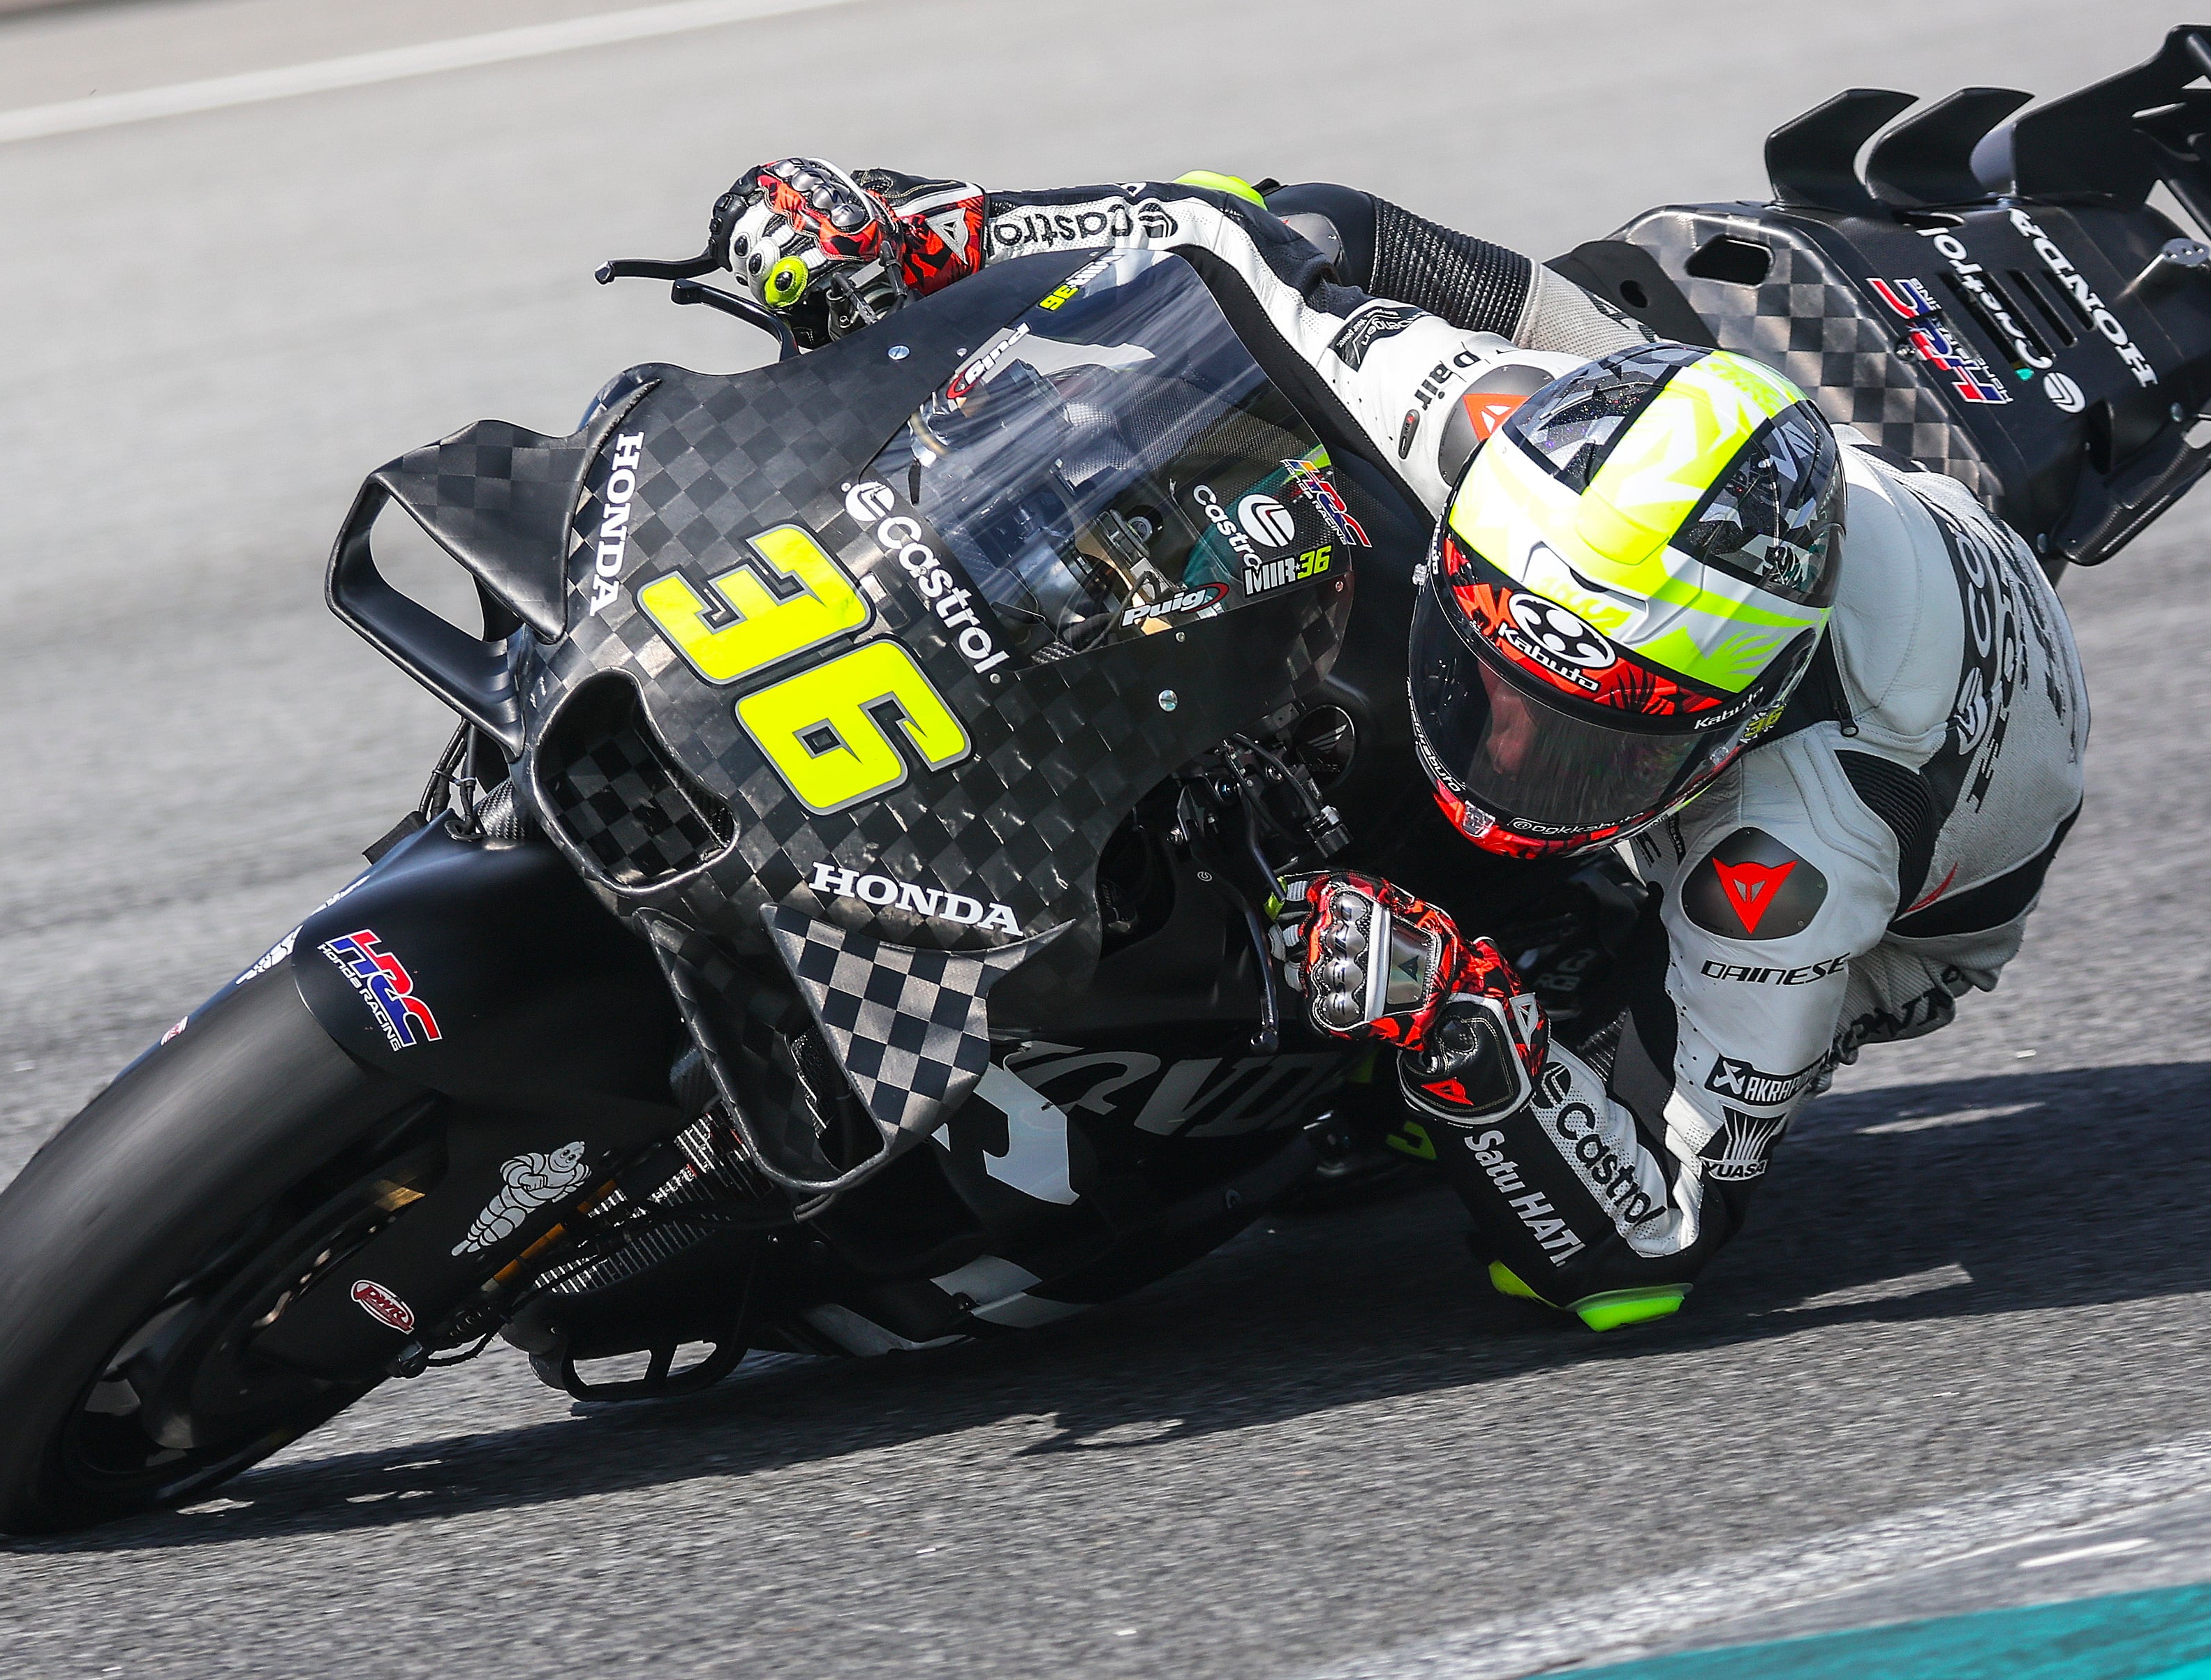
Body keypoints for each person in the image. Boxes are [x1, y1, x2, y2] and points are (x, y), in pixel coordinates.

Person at [702, 159, 2090, 1332]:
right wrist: (933, 233)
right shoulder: (1499, 429)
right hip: (1733, 519)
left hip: (1902, 891)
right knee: (1280, 344)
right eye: (1494, 683)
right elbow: (1233, 237)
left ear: (1733, 719)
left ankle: (1382, 1065)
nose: (1501, 750)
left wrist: (1448, 1010)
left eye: (1575, 741)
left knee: (1484, 1033)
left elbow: (1653, 1248)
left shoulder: (1799, 853)